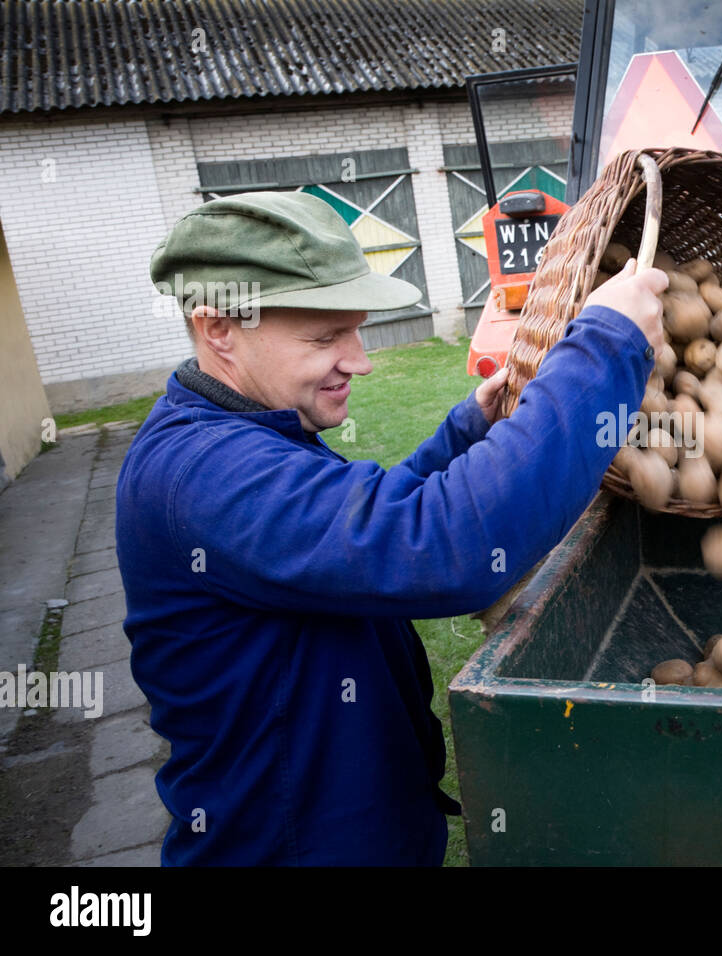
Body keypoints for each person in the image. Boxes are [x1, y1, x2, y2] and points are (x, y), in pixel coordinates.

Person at [118, 190, 667, 865]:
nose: (360, 359)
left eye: (355, 330)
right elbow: (441, 546)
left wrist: (468, 435)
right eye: (324, 337)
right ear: (220, 330)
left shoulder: (244, 429)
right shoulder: (202, 473)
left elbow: (347, 531)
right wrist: (607, 345)